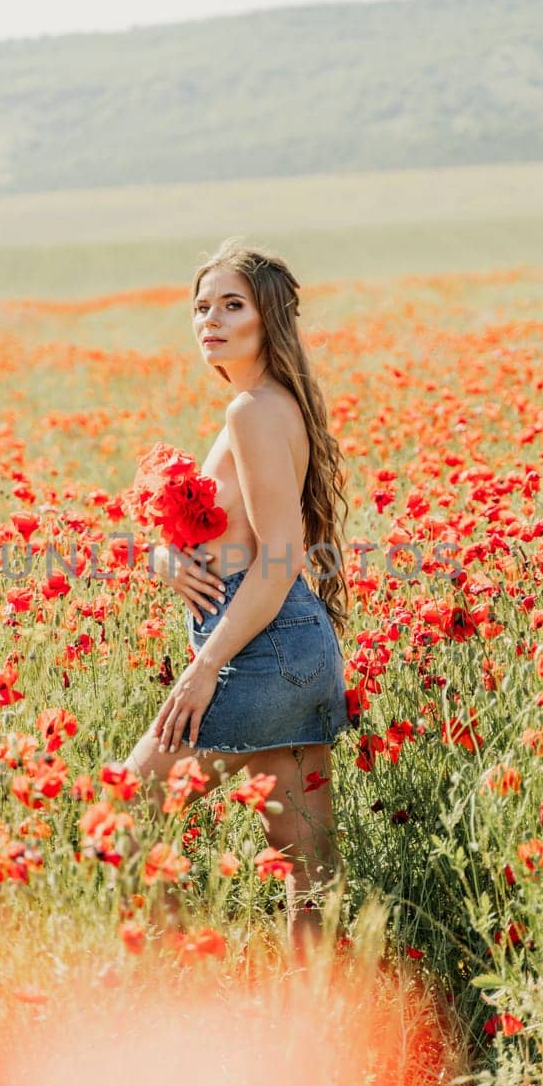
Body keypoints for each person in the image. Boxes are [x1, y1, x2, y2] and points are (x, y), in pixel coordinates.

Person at [123, 237, 352, 950]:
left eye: (231, 305)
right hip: (290, 644)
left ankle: (174, 987)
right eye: (200, 307)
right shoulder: (272, 403)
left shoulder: (251, 412)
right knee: (305, 864)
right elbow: (245, 537)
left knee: (125, 810)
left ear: (269, 319)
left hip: (256, 646)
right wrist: (167, 557)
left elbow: (278, 560)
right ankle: (315, 1019)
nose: (209, 320)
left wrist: (203, 669)